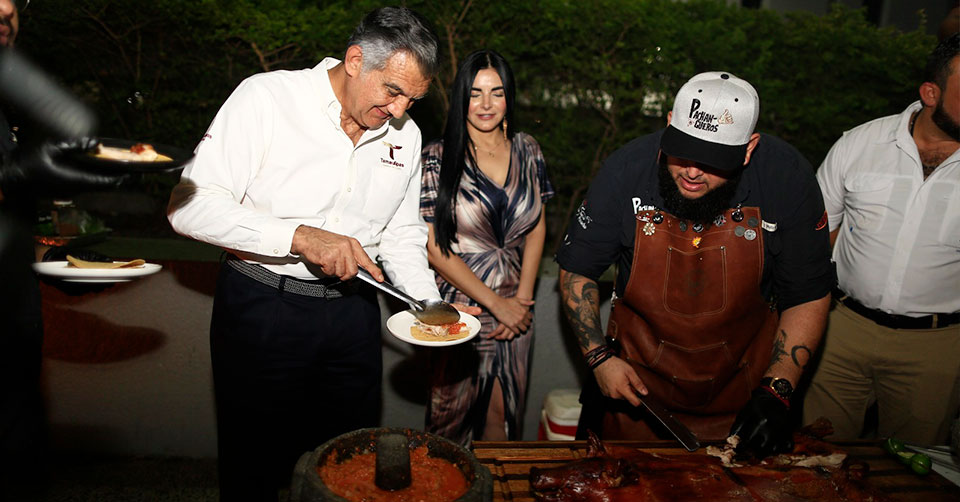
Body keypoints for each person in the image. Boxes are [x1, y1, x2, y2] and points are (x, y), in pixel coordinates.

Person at [167, 7, 478, 502]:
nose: (400, 111)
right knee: (253, 466)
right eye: (392, 91)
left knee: (347, 464)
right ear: (355, 61)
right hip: (263, 306)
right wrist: (299, 236)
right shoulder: (266, 98)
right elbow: (189, 207)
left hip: (354, 313)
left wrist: (426, 305)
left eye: (413, 100)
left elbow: (400, 235)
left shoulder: (407, 135)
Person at [556, 71, 834, 457]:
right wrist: (599, 358)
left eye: (713, 160)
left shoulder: (786, 179)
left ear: (749, 149)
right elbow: (578, 269)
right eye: (683, 151)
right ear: (670, 123)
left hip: (744, 391)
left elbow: (808, 293)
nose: (692, 171)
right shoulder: (626, 170)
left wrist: (778, 389)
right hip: (635, 391)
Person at [802, 34, 960, 445]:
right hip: (841, 331)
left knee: (916, 465)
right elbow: (818, 233)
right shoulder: (860, 144)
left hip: (937, 347)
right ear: (931, 93)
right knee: (818, 451)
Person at [419, 49, 553, 446]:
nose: (486, 104)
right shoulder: (437, 156)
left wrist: (521, 302)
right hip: (461, 309)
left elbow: (537, 226)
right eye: (475, 93)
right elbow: (433, 248)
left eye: (497, 92)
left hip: (517, 310)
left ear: (509, 96)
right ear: (461, 97)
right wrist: (497, 305)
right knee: (448, 424)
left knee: (503, 420)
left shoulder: (528, 149)